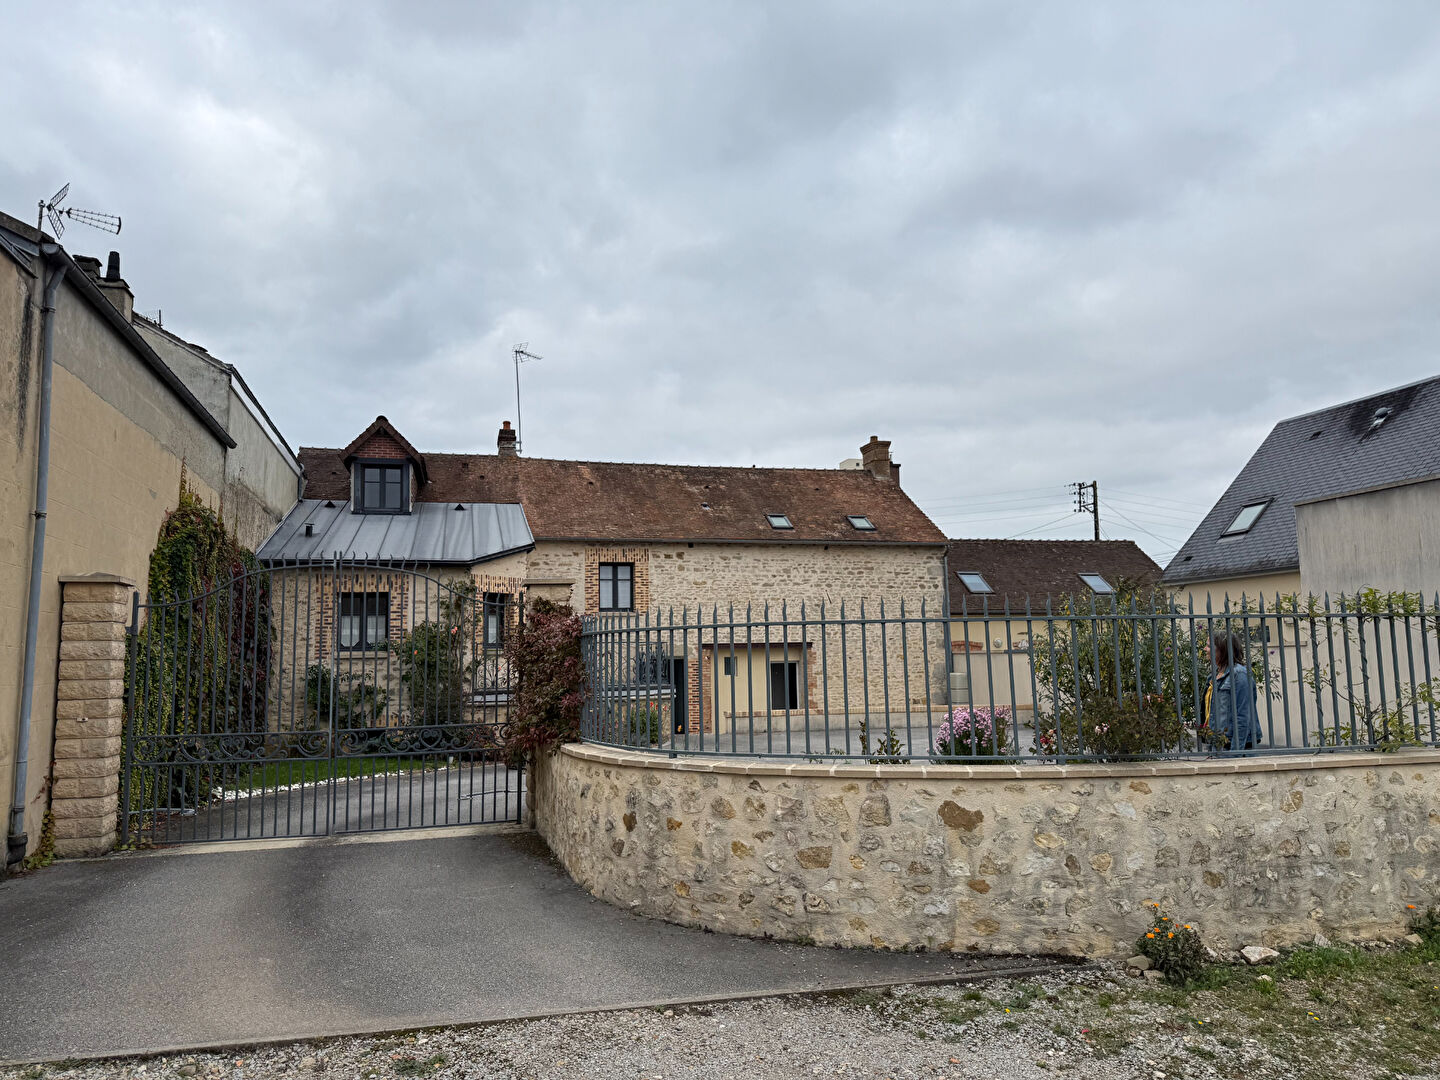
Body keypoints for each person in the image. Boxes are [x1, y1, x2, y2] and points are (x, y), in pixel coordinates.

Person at [1207, 629, 1259, 752]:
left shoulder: (1239, 675)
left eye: (1209, 646)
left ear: (1222, 649)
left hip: (1234, 745)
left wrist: (1235, 753)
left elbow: (1242, 716)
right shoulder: (1214, 675)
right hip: (1220, 742)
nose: (1205, 649)